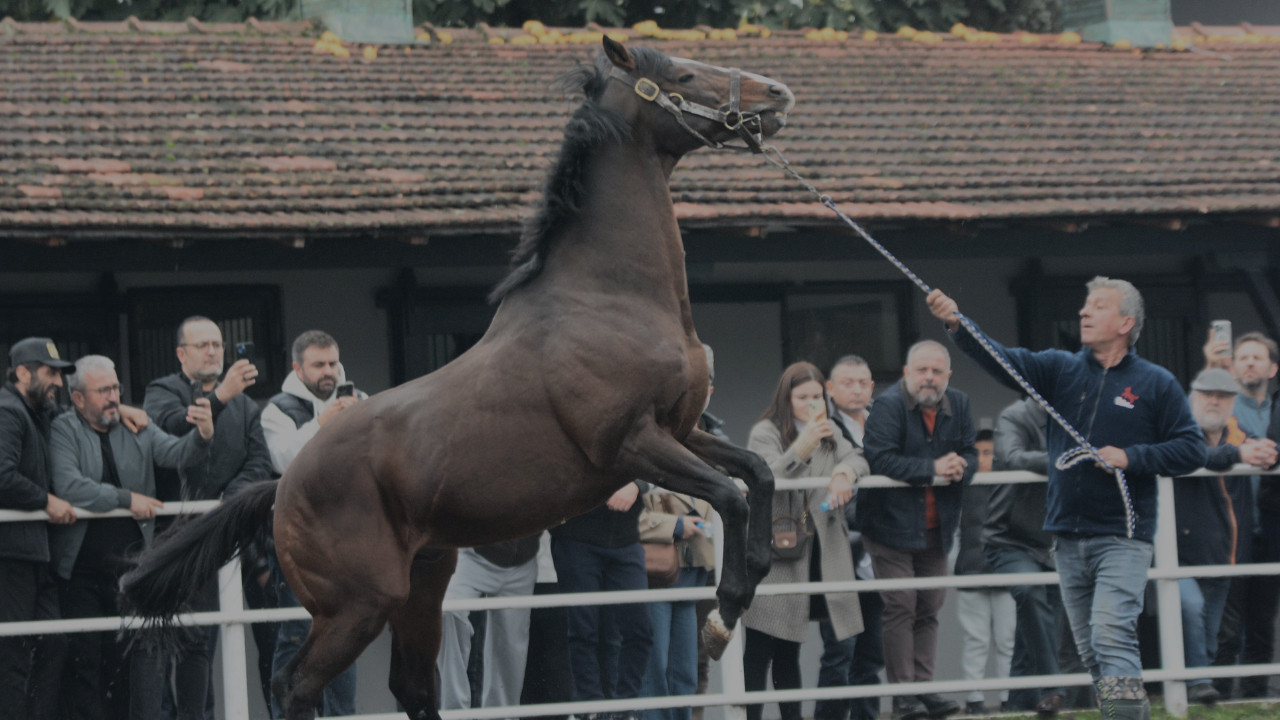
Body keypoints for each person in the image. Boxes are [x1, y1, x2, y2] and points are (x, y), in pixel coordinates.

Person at [928, 277, 1206, 720]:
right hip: (1065, 538)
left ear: (1125, 323)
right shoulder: (1060, 368)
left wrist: (1130, 457)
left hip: (1123, 537)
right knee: (1094, 651)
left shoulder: (1156, 383)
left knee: (1111, 635)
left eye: (1097, 306)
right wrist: (958, 326)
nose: (1083, 312)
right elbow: (1002, 359)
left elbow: (1192, 449)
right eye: (1084, 305)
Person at [48, 354, 213, 720]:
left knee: (127, 662)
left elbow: (174, 453)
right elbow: (70, 486)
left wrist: (202, 435)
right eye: (104, 390)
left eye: (116, 388)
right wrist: (127, 500)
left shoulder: (135, 423)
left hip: (132, 569)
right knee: (84, 659)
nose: (113, 396)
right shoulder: (63, 429)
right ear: (77, 399)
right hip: (81, 572)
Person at [143, 316, 275, 717]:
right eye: (203, 345)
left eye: (218, 344)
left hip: (226, 533)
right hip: (173, 536)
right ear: (182, 353)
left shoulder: (247, 406)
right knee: (180, 640)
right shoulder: (161, 390)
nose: (213, 351)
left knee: (211, 639)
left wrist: (226, 504)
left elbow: (259, 464)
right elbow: (169, 433)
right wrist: (220, 397)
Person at [743, 361, 866, 720]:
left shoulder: (831, 431)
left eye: (817, 396)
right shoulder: (765, 431)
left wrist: (845, 472)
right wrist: (804, 445)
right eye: (803, 397)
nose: (812, 404)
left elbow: (858, 456)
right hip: (777, 551)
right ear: (787, 397)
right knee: (762, 644)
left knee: (790, 647)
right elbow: (766, 476)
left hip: (820, 549)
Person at [860, 340, 974, 720]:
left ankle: (923, 690)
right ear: (907, 373)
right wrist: (934, 469)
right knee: (901, 604)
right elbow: (880, 458)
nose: (929, 378)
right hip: (888, 526)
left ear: (948, 376)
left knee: (930, 607)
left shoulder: (959, 403)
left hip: (936, 527)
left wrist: (962, 466)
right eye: (921, 370)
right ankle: (904, 694)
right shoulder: (888, 405)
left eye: (937, 371)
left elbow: (973, 452)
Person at [260, 330, 364, 716]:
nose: (328, 372)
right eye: (318, 364)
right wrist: (323, 423)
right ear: (297, 368)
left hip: (347, 537)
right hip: (297, 539)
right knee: (295, 635)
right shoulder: (277, 409)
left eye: (333, 363)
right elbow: (284, 462)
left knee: (347, 632)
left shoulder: (359, 400)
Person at [1177, 368, 1276, 704]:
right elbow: (1188, 456)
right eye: (1207, 394)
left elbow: (1253, 448)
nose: (1214, 401)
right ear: (1193, 398)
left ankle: (1198, 694)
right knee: (1190, 609)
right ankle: (1197, 684)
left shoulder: (1239, 434)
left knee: (1211, 634)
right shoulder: (1180, 431)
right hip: (1180, 554)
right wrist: (1239, 455)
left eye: (1222, 396)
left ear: (1233, 403)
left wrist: (1265, 453)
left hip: (1225, 554)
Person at [0, 337, 78, 718]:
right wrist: (46, 501)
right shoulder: (7, 412)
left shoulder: (34, 411)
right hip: (10, 556)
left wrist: (125, 409)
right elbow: (1, 475)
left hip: (34, 553)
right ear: (22, 373)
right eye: (51, 373)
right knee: (11, 654)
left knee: (54, 643)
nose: (59, 383)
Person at [1207, 331, 1280, 698]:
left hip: (1271, 527)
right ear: (1233, 368)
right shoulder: (1223, 406)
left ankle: (1256, 697)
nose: (1250, 362)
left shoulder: (1277, 410)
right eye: (1243, 357)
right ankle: (1218, 697)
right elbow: (1202, 436)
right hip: (1229, 527)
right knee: (1228, 622)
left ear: (1273, 367)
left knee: (1263, 619)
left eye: (1257, 357)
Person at [986, 397, 1069, 715]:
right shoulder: (1014, 415)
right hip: (1007, 537)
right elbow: (1013, 456)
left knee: (1035, 625)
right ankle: (1051, 686)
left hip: (1053, 538)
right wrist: (1065, 459)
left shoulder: (1072, 417)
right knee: (1031, 594)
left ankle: (1020, 704)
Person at [815, 355, 885, 720]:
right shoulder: (820, 428)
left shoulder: (884, 423)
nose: (856, 389)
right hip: (838, 550)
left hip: (879, 552)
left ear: (872, 387)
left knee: (873, 653)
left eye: (863, 382)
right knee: (840, 651)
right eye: (847, 382)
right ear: (830, 388)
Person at [549, 477, 653, 720]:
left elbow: (657, 452)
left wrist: (636, 484)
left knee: (640, 630)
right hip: (575, 538)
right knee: (583, 629)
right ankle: (590, 708)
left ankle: (624, 710)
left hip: (625, 540)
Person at [637, 489, 713, 720]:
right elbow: (629, 520)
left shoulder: (703, 463)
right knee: (655, 666)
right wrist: (675, 525)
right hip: (658, 576)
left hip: (693, 576)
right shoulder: (649, 461)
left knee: (685, 670)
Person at [953, 429, 1013, 715]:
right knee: (975, 640)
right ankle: (974, 700)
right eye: (978, 453)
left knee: (1007, 640)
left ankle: (1008, 697)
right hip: (971, 571)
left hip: (1005, 572)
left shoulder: (1013, 483)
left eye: (990, 452)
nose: (984, 459)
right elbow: (954, 532)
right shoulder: (961, 487)